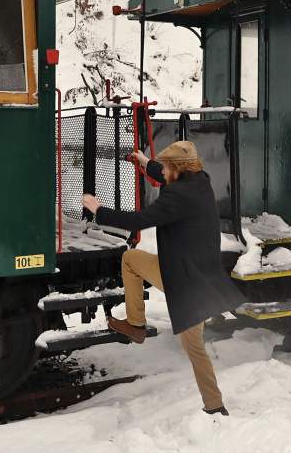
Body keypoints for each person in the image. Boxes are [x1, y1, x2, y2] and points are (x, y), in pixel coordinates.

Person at [81, 140, 245, 416]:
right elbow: (165, 174)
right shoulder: (199, 181)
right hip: (194, 270)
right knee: (131, 260)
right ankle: (136, 325)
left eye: (167, 168)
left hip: (187, 281)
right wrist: (145, 162)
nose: (164, 173)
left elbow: (137, 221)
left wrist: (98, 210)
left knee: (193, 346)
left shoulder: (178, 197)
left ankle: (216, 407)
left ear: (178, 170)